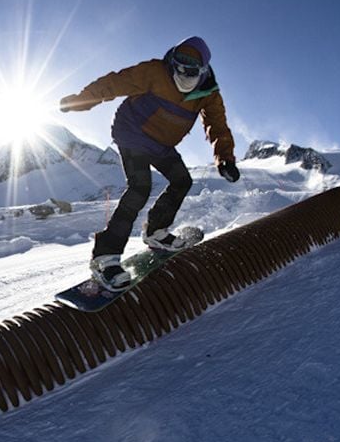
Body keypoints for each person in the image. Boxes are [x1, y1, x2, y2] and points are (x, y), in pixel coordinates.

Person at [60, 36, 240, 291]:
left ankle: (156, 231)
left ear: (202, 71)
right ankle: (105, 258)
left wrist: (225, 158)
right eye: (178, 66)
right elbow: (116, 82)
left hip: (162, 145)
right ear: (172, 61)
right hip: (132, 134)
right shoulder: (155, 71)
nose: (182, 75)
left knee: (182, 181)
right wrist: (82, 99)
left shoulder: (208, 94)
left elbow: (217, 125)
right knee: (139, 188)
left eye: (189, 71)